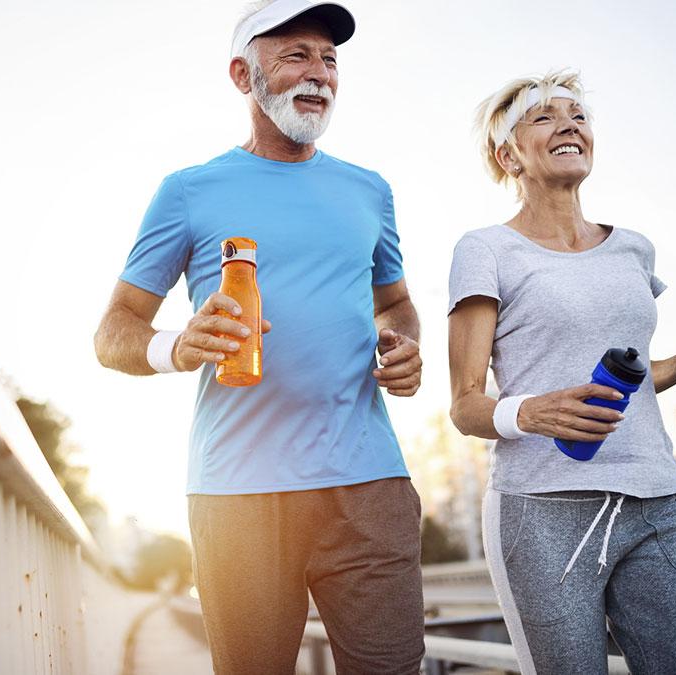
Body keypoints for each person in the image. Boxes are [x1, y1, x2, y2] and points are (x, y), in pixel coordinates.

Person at [93, 1, 425, 672]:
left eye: (330, 59)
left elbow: (396, 304)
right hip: (238, 489)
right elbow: (113, 331)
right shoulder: (188, 191)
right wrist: (177, 346)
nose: (319, 72)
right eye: (296, 55)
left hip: (369, 483)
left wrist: (402, 345)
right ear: (244, 75)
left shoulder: (370, 190)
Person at [447, 70, 676, 674]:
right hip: (543, 507)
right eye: (544, 116)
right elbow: (466, 404)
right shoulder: (486, 250)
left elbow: (623, 378)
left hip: (656, 497)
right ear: (509, 154)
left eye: (577, 115)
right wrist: (530, 411)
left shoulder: (634, 248)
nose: (569, 124)